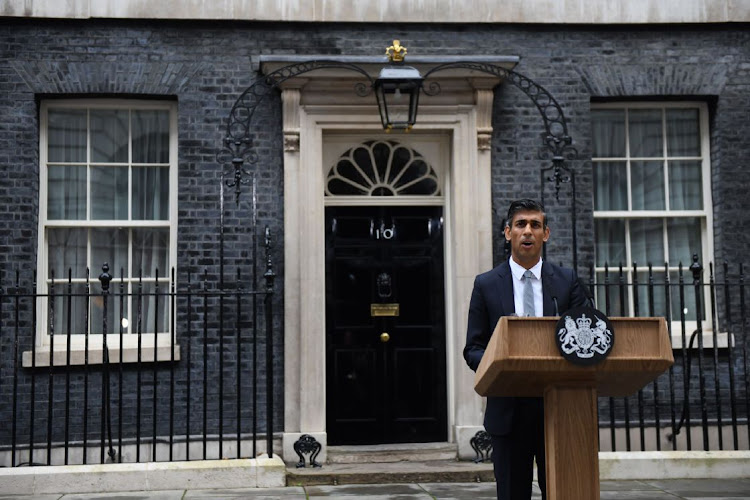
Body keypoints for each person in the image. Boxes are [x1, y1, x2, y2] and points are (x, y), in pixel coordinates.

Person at [463, 199, 589, 500]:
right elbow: (473, 349)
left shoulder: (568, 282)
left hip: (559, 410)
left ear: (546, 234)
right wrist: (501, 366)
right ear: (508, 233)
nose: (527, 231)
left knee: (563, 493)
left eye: (535, 225)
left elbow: (588, 337)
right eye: (520, 224)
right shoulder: (486, 284)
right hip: (509, 411)